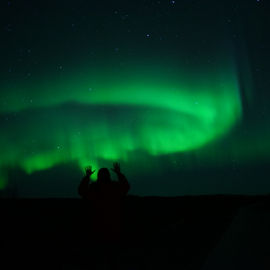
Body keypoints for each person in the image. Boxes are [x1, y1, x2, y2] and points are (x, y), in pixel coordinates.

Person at [78, 162, 130, 269]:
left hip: (98, 225)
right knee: (112, 255)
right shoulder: (114, 186)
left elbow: (82, 191)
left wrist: (87, 177)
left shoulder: (94, 187)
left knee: (100, 255)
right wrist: (119, 174)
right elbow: (126, 187)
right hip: (113, 225)